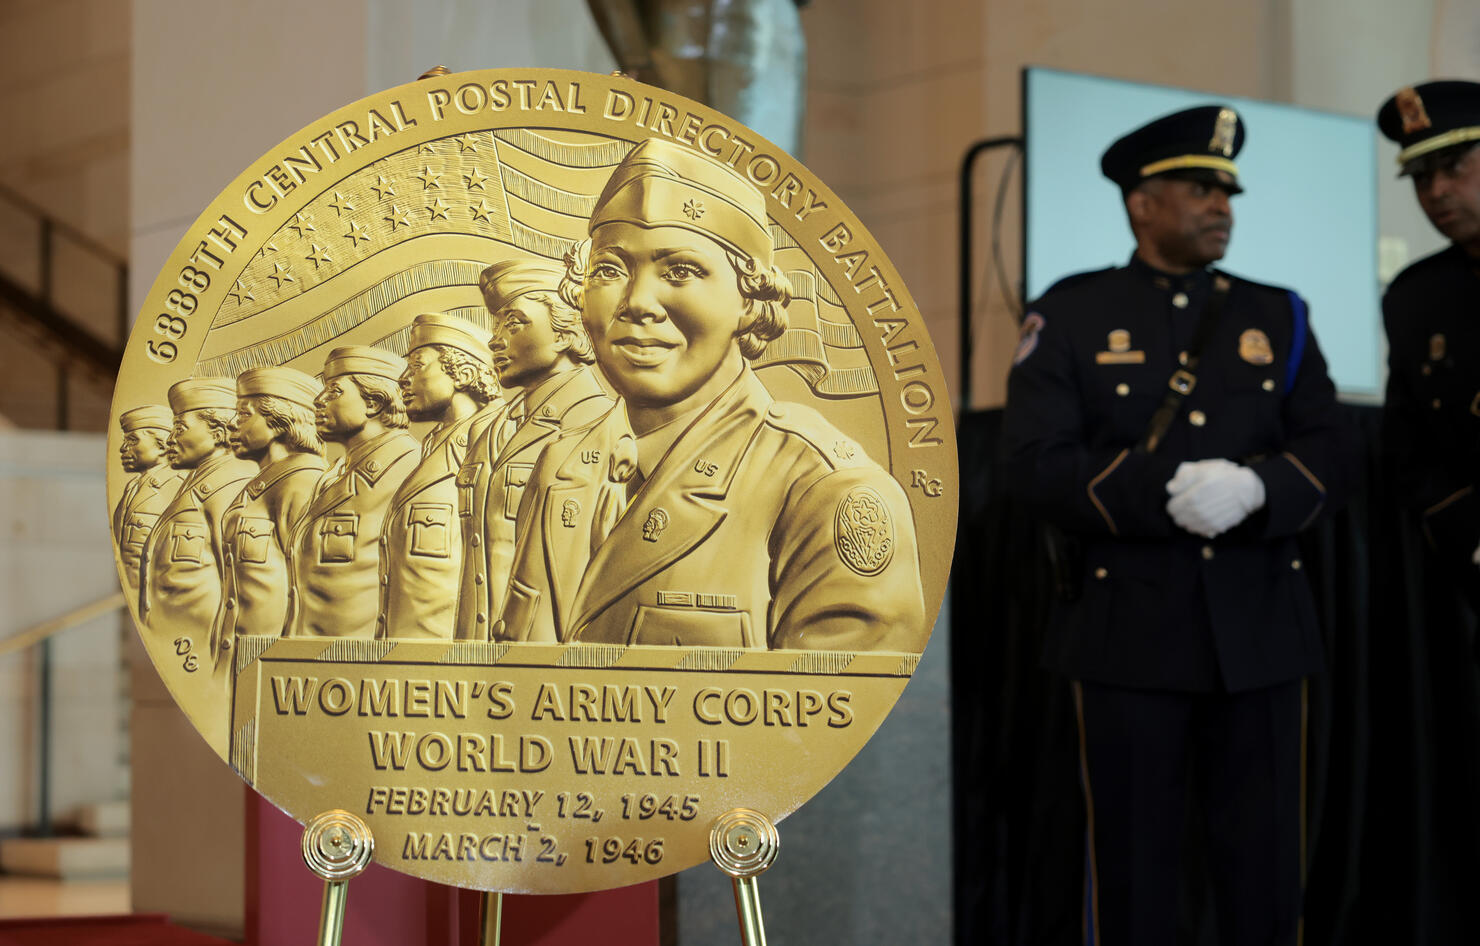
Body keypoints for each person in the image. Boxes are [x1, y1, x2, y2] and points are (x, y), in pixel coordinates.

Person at [1002, 106, 1351, 946]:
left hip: (1261, 624)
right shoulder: (1073, 312)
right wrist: (1166, 490)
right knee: (1131, 868)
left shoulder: (1281, 314)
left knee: (1266, 868)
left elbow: (1332, 445)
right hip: (1129, 629)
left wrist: (1256, 489)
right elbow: (1034, 463)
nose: (1221, 205)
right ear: (1141, 202)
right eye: (1198, 188)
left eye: (1226, 190)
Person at [497, 137, 926, 650]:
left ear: (751, 300)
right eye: (610, 271)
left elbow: (827, 721)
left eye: (680, 271)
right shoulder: (560, 467)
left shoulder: (825, 489)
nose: (637, 304)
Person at [454, 259, 611, 638]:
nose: (494, 339)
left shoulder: (599, 422)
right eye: (496, 325)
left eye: (514, 322)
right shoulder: (487, 430)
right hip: (469, 659)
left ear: (564, 332)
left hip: (550, 660)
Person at [1376, 80, 1480, 611]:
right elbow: (1408, 442)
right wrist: (1466, 532)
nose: (1436, 191)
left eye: (1455, 166)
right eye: (1420, 176)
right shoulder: (1417, 296)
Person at [377, 313, 501, 639]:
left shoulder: (493, 447)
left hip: (451, 663)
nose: (403, 379)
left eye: (417, 365)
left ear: (462, 373)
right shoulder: (430, 446)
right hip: (403, 658)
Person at [285, 346, 420, 638]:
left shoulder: (409, 468)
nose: (318, 401)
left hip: (365, 665)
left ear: (372, 402)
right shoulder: (332, 475)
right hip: (306, 661)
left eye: (334, 392)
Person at [212, 367, 326, 673]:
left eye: (244, 414)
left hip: (273, 666)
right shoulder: (264, 484)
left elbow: (307, 586)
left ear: (278, 421)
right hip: (242, 658)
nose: (232, 422)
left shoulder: (301, 483)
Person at [113, 404, 183, 598]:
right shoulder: (131, 488)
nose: (123, 448)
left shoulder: (178, 489)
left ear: (162, 445)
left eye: (133, 440)